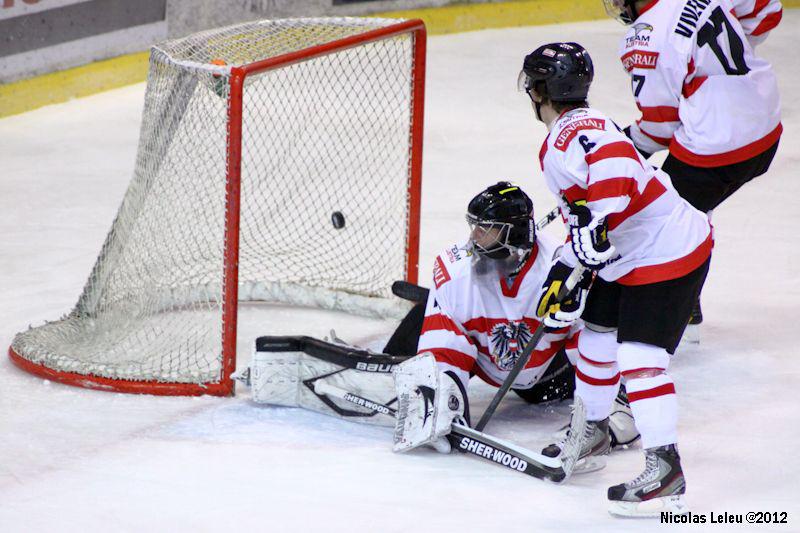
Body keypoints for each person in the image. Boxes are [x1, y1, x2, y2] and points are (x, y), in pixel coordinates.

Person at [519, 42, 712, 516]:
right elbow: (585, 214)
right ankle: (593, 430)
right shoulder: (577, 127)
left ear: (540, 90)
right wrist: (570, 261)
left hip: (670, 252)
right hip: (630, 253)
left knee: (639, 357)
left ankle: (665, 470)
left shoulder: (573, 135)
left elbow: (612, 171)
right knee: (597, 335)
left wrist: (597, 225)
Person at [392, 181, 639, 454]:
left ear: (516, 234)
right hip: (485, 365)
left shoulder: (564, 269)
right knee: (431, 315)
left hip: (551, 377)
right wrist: (439, 396)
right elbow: (446, 345)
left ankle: (611, 415)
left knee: (601, 331)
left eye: (486, 230)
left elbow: (599, 340)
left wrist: (604, 402)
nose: (474, 238)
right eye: (474, 227)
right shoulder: (454, 269)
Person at [603, 0, 782, 338]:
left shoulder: (646, 36)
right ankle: (689, 300)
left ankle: (668, 315)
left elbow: (660, 128)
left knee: (659, 222)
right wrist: (718, 71)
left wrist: (619, 146)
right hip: (765, 126)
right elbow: (766, 11)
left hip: (719, 147)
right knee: (691, 207)